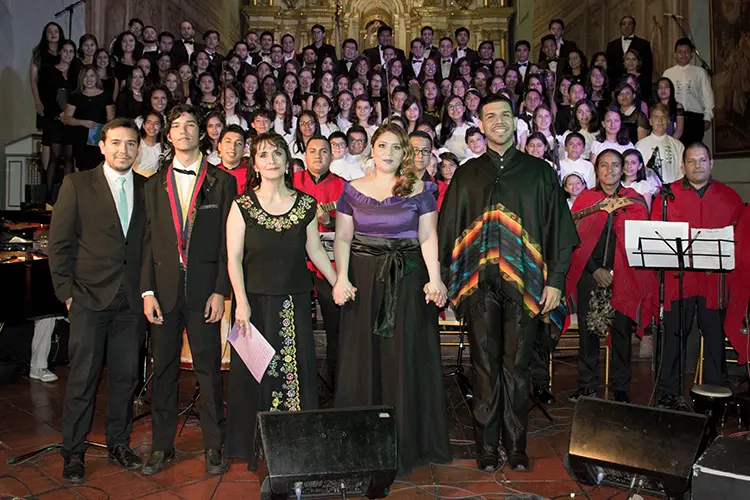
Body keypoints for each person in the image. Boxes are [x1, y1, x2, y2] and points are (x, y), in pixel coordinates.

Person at [438, 95, 578, 471]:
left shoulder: (540, 173)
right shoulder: (466, 174)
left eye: (504, 115)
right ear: (480, 125)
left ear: (516, 122)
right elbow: (448, 229)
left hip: (527, 286)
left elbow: (561, 233)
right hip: (480, 286)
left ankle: (516, 445)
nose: (497, 122)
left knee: (517, 367)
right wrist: (449, 282)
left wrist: (556, 282)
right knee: (483, 364)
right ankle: (486, 446)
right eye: (489, 117)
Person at [333, 124, 451, 476]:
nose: (387, 152)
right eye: (381, 145)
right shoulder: (351, 191)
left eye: (395, 147)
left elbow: (428, 237)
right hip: (364, 283)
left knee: (405, 356)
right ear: (372, 149)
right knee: (362, 358)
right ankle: (362, 443)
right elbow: (342, 238)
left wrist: (435, 278)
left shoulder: (421, 190)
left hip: (409, 280)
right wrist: (341, 278)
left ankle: (408, 442)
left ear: (405, 154)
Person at [224, 132, 338, 468]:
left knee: (296, 372)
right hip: (253, 305)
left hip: (295, 300)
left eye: (277, 154)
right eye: (263, 155)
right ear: (254, 165)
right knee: (254, 373)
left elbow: (314, 248)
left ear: (287, 162)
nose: (271, 160)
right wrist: (240, 302)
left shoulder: (305, 204)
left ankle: (294, 443)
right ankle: (253, 447)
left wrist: (337, 281)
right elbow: (233, 258)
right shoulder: (241, 205)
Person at [140, 104, 237, 475]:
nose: (183, 131)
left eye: (190, 125)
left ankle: (215, 445)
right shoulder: (152, 183)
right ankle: (162, 447)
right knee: (162, 370)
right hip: (162, 292)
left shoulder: (222, 182)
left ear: (202, 133)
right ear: (168, 135)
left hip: (204, 291)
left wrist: (220, 291)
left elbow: (228, 243)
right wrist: (147, 291)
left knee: (209, 370)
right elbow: (147, 241)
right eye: (176, 126)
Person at [48, 118, 147, 482]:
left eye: (131, 144)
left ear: (138, 149)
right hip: (88, 298)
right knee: (82, 380)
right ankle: (73, 453)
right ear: (102, 146)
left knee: (125, 377)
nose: (124, 150)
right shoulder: (77, 184)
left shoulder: (146, 187)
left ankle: (119, 443)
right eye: (116, 143)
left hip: (131, 302)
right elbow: (58, 245)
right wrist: (67, 295)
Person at [650, 143, 744, 409]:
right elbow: (656, 237)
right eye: (691, 161)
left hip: (715, 281)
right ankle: (668, 392)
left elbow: (740, 240)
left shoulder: (730, 197)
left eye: (702, 160)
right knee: (674, 339)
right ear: (683, 165)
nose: (697, 166)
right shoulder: (667, 196)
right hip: (678, 280)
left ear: (711, 163)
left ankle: (716, 393)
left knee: (714, 338)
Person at [566, 149, 654, 404]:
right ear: (597, 169)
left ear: (623, 168)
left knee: (621, 333)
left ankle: (621, 388)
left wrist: (615, 271)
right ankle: (586, 386)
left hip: (624, 276)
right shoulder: (585, 200)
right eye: (604, 165)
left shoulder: (634, 200)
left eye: (616, 165)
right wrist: (595, 270)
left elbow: (639, 241)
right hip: (590, 274)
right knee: (588, 333)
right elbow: (575, 241)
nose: (610, 170)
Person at [293, 136, 346, 389]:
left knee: (336, 328)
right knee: (296, 328)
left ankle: (338, 384)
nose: (318, 156)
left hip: (328, 268)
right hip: (296, 267)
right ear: (305, 156)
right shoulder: (291, 183)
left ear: (332, 156)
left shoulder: (343, 187)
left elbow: (352, 227)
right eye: (312, 151)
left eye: (324, 151)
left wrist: (330, 220)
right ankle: (300, 384)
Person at [663, 38, 714, 147]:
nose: (683, 55)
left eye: (686, 52)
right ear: (675, 54)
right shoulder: (668, 73)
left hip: (694, 118)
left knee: (694, 150)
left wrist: (707, 116)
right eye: (680, 52)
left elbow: (707, 95)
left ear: (691, 54)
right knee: (676, 149)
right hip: (674, 117)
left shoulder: (700, 72)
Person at [636, 103, 685, 183]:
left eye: (664, 117)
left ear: (668, 121)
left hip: (674, 190)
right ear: (650, 121)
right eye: (656, 117)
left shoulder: (678, 145)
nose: (660, 120)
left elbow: (682, 171)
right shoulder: (640, 146)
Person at [605, 15, 653, 86]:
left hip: (638, 84)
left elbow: (648, 67)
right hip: (616, 85)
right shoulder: (611, 45)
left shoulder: (644, 44)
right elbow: (608, 67)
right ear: (620, 27)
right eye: (624, 24)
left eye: (629, 24)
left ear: (634, 27)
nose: (626, 27)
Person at [217, 125, 250, 193]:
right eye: (228, 142)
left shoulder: (251, 174)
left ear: (244, 149)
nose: (232, 147)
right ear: (219, 146)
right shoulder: (210, 174)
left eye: (238, 143)